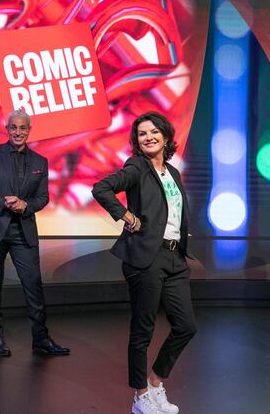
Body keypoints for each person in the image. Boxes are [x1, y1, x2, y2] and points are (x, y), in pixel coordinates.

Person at [92, 112, 195, 414]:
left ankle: (155, 383)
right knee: (143, 329)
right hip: (145, 258)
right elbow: (102, 188)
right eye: (141, 134)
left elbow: (170, 208)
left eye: (153, 132)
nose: (148, 137)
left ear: (165, 136)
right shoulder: (137, 166)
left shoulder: (173, 172)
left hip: (174, 257)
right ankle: (140, 397)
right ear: (137, 142)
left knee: (186, 326)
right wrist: (127, 217)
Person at [0, 108, 69, 357]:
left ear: (29, 130)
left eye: (22, 128)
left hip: (23, 230)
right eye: (13, 127)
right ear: (7, 129)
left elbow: (43, 197)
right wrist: (3, 202)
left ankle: (41, 339)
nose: (18, 132)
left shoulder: (40, 161)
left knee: (33, 283)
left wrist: (26, 205)